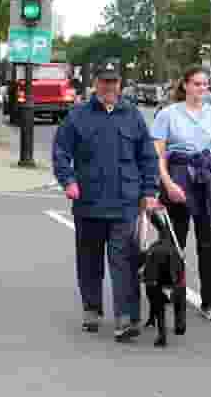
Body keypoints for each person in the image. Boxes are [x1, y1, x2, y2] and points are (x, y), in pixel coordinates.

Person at [52, 62, 159, 341]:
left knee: (124, 260)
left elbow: (147, 156)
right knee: (89, 260)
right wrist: (69, 182)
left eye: (113, 82)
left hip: (125, 201)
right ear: (95, 84)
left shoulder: (132, 115)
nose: (109, 87)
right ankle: (92, 308)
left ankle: (126, 317)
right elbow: (61, 152)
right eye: (104, 82)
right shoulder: (78, 115)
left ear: (119, 84)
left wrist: (149, 192)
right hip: (88, 201)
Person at [150, 66, 211, 321]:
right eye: (197, 84)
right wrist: (167, 183)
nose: (202, 89)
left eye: (205, 84)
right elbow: (158, 153)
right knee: (174, 238)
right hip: (178, 176)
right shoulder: (167, 114)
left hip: (210, 179)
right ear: (185, 85)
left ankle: (210, 302)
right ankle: (168, 286)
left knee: (209, 241)